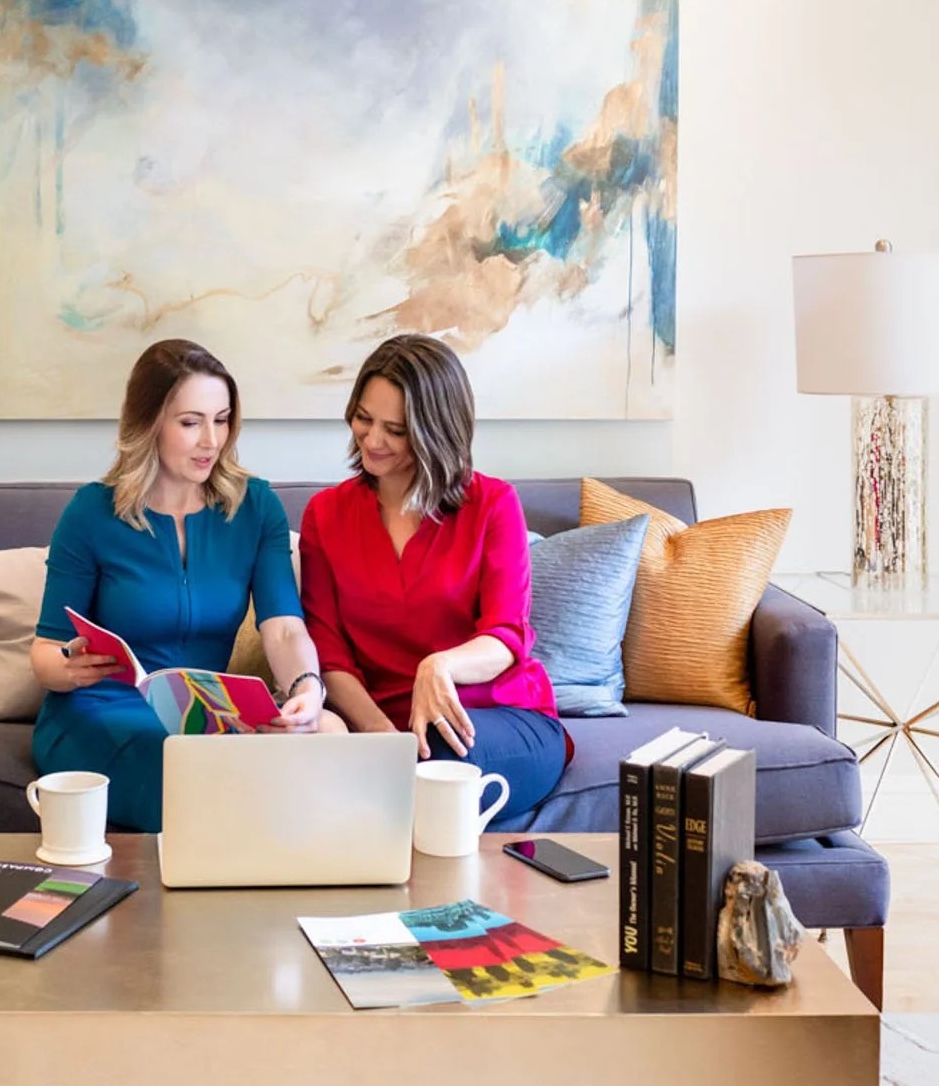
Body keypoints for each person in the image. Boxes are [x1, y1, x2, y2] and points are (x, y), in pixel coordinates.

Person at [30, 339, 339, 833]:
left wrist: (307, 689)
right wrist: (73, 668)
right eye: (191, 422)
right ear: (149, 423)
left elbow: (282, 627)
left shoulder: (255, 507)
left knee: (327, 733)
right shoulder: (90, 513)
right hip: (101, 711)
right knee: (178, 756)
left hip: (207, 714)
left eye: (222, 419)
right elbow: (45, 653)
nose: (211, 441)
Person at [298, 333, 568, 819]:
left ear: (435, 430)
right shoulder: (326, 515)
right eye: (364, 419)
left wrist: (439, 666)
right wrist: (381, 735)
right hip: (382, 722)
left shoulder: (492, 504)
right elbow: (328, 653)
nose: (372, 441)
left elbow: (506, 635)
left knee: (437, 767)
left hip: (496, 715)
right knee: (392, 768)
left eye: (396, 430)